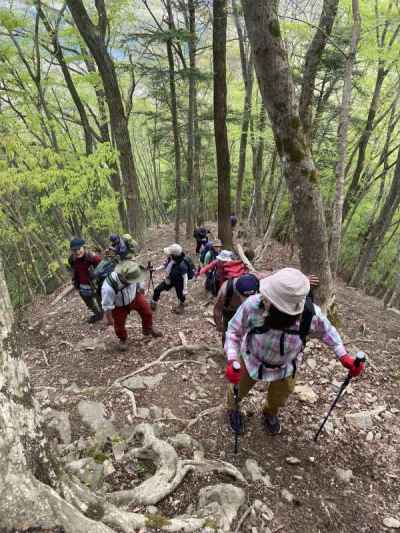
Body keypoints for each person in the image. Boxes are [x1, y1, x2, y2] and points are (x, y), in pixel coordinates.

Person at [224, 268, 365, 435]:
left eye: (270, 302)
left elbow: (328, 332)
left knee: (279, 396)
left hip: (286, 367)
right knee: (237, 389)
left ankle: (270, 412)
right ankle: (233, 409)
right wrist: (232, 359)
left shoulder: (310, 316)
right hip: (251, 360)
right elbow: (234, 331)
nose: (263, 302)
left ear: (288, 311)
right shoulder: (253, 305)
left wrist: (343, 356)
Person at [214, 270, 320, 343]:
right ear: (237, 292)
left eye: (250, 296)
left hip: (254, 310)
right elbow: (217, 309)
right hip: (230, 311)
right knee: (229, 330)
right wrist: (219, 326)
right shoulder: (225, 290)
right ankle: (228, 352)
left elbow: (280, 274)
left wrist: (302, 280)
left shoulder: (260, 277)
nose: (247, 301)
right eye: (244, 297)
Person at [102, 261, 162, 351]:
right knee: (119, 325)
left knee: (147, 312)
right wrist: (109, 318)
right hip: (119, 306)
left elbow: (139, 279)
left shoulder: (134, 272)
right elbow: (107, 305)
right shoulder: (108, 287)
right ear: (124, 278)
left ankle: (147, 329)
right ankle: (123, 339)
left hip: (134, 296)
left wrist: (140, 288)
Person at [150, 244, 194, 315]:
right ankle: (153, 303)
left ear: (174, 255)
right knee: (157, 289)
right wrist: (155, 269)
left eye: (170, 254)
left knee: (181, 296)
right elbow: (165, 265)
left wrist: (185, 289)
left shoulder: (182, 264)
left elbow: (185, 277)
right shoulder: (172, 259)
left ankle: (181, 306)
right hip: (171, 278)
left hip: (179, 282)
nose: (168, 255)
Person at [68, 238, 103, 323]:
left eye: (79, 249)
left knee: (101, 302)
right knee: (89, 303)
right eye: (74, 250)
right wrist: (75, 282)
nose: (77, 252)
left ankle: (105, 315)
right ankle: (98, 315)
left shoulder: (93, 257)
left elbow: (103, 270)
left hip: (95, 285)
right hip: (82, 285)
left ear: (83, 247)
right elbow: (74, 270)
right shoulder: (72, 259)